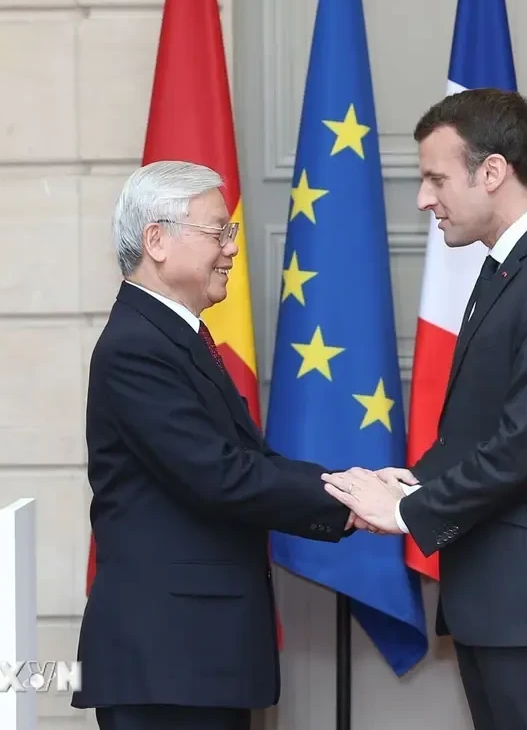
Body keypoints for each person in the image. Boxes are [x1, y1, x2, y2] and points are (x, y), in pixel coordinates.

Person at [323, 88, 527, 730]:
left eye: (436, 178)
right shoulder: (512, 269)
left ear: (492, 172)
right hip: (502, 598)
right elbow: (481, 428)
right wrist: (405, 481)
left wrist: (407, 511)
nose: (423, 199)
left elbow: (526, 444)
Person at [72, 160, 356, 730]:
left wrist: (346, 486)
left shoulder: (176, 338)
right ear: (157, 240)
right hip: (168, 662)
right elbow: (220, 475)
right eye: (217, 232)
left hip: (193, 660)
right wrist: (350, 502)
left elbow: (250, 462)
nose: (231, 248)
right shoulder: (138, 348)